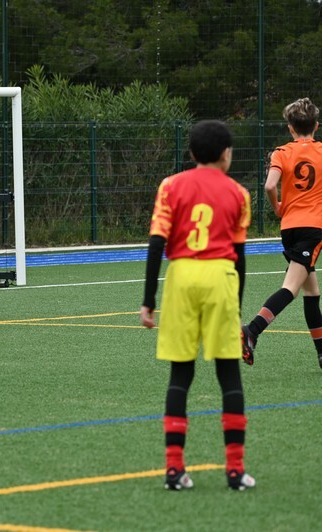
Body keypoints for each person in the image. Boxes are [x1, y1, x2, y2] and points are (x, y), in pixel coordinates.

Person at [140, 120, 255, 491]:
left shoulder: (170, 186)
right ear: (226, 155)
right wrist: (236, 311)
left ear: (191, 153)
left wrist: (148, 301)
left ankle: (174, 470)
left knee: (181, 374)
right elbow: (240, 257)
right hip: (220, 277)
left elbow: (156, 244)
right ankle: (235, 471)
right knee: (228, 374)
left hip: (182, 277)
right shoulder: (239, 193)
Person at [241, 98, 322, 369]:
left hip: (289, 227)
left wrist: (277, 206)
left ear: (290, 128)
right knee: (291, 289)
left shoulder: (281, 152)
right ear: (316, 125)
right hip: (313, 228)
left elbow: (269, 186)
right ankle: (252, 330)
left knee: (312, 292)